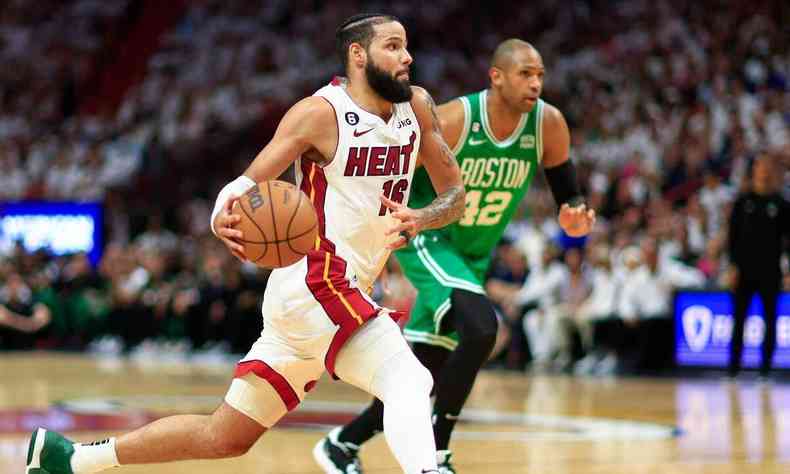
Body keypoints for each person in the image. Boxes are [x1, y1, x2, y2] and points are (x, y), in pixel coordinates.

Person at [25, 13, 466, 474]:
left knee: (226, 436)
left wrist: (422, 217)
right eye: (393, 46)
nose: (407, 56)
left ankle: (71, 459)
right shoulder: (322, 112)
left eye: (406, 46)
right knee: (408, 379)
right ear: (358, 54)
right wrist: (222, 218)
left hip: (316, 296)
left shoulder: (417, 107)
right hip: (318, 281)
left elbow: (455, 196)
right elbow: (245, 184)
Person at [314, 39, 596, 474]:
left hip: (473, 256)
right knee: (482, 328)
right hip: (430, 238)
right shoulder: (459, 118)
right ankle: (438, 454)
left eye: (540, 74)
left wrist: (574, 213)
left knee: (426, 369)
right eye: (525, 73)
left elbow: (567, 191)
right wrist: (381, 249)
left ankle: (342, 444)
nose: (536, 83)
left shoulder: (549, 125)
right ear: (496, 76)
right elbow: (397, 173)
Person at [727, 154, 790, 379]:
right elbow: (732, 238)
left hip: (770, 271)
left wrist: (788, 271)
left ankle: (765, 370)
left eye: (768, 166)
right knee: (739, 319)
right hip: (743, 270)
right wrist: (732, 267)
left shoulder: (781, 204)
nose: (764, 171)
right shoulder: (743, 202)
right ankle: (733, 369)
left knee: (770, 319)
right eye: (760, 166)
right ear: (753, 170)